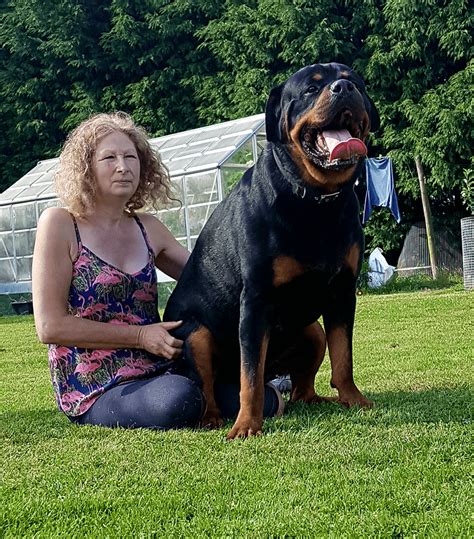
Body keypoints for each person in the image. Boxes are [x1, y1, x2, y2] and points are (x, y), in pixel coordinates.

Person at [33, 112, 284, 430]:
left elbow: (213, 279)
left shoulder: (148, 227)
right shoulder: (59, 223)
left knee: (268, 401)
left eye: (131, 157)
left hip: (162, 368)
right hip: (96, 384)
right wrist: (139, 336)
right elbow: (50, 327)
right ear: (86, 168)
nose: (123, 166)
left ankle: (276, 384)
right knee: (179, 401)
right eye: (109, 157)